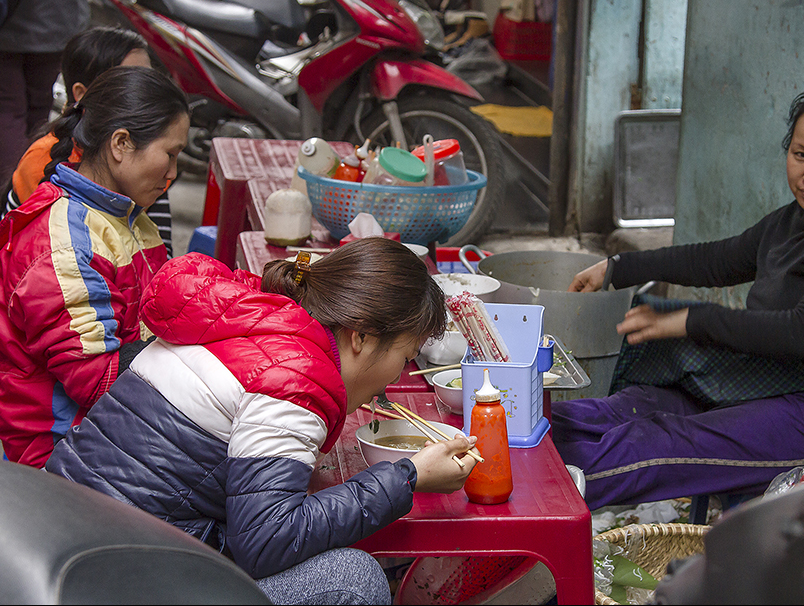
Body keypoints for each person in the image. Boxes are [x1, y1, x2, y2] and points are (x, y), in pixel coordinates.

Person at [45, 239, 479, 605]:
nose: (396, 379)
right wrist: (407, 476)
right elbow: (267, 543)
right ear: (361, 335)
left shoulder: (258, 319)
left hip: (67, 532)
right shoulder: (295, 377)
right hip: (108, 581)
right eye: (404, 360)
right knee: (353, 579)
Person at [553, 75, 804, 510]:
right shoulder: (791, 221)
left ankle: (536, 502)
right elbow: (717, 260)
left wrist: (691, 320)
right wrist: (617, 268)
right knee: (629, 408)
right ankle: (507, 439)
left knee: (656, 444)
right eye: (800, 155)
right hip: (776, 385)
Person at [0, 66, 188, 468]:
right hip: (61, 449)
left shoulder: (127, 218)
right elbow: (97, 379)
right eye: (170, 154)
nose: (173, 174)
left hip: (105, 425)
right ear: (121, 143)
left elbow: (162, 305)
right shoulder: (62, 244)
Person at [0, 26, 176, 254]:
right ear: (82, 94)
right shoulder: (43, 162)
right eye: (131, 84)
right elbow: (24, 261)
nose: (148, 96)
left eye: (150, 82)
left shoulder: (148, 159)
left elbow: (161, 255)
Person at [0, 0, 89, 207]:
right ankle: (35, 204)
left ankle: (17, 208)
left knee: (1, 109)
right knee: (38, 110)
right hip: (58, 7)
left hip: (0, 2)